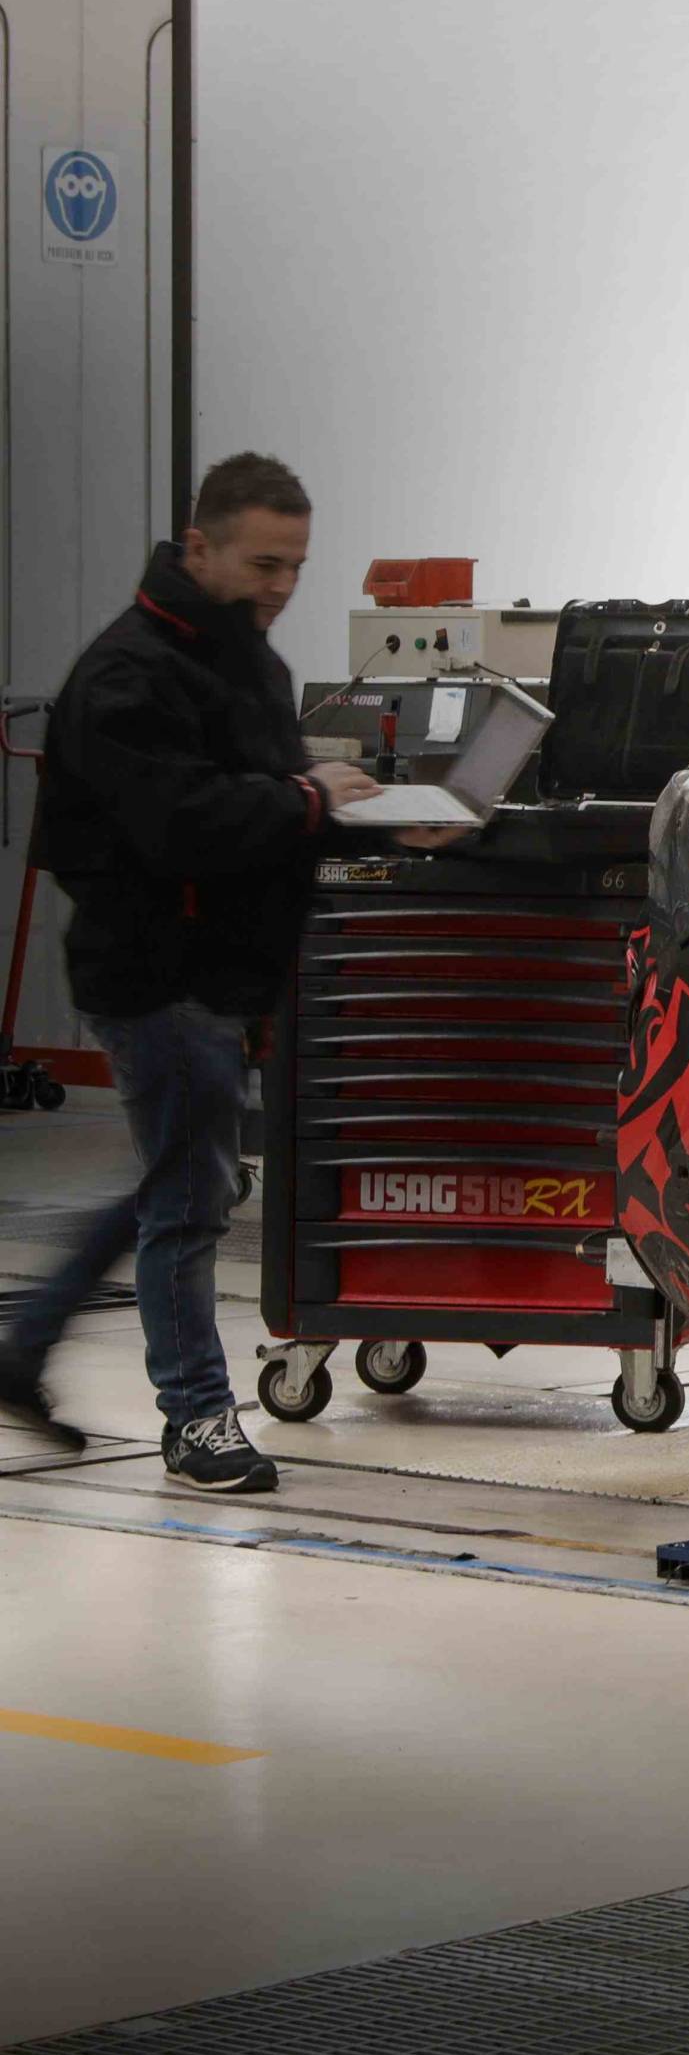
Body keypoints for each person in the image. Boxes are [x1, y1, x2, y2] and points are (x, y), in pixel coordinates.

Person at [0, 456, 375, 1487]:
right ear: (198, 546)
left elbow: (269, 798)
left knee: (180, 1180)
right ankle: (195, 1416)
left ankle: (25, 1350)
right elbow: (181, 823)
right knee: (188, 1196)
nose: (280, 586)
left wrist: (371, 816)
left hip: (223, 976)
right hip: (155, 976)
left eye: (295, 567)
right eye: (263, 563)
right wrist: (311, 799)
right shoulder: (126, 677)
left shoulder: (245, 659)